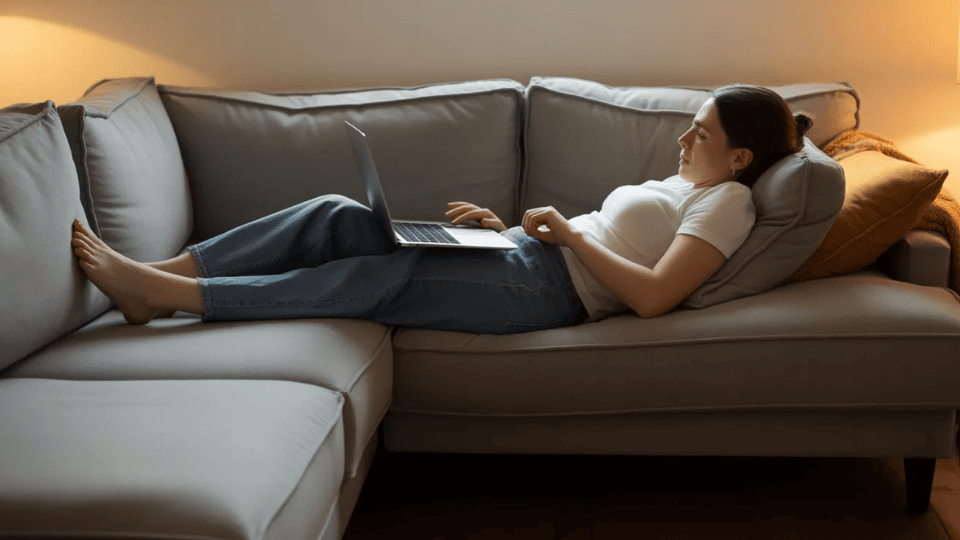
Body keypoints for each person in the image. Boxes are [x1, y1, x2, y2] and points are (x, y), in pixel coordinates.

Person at [70, 84, 812, 334]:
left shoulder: (729, 206)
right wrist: (514, 227)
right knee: (337, 212)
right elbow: (608, 235)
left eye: (702, 132)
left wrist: (561, 240)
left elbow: (653, 298)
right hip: (528, 255)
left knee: (382, 271)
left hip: (547, 292)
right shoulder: (693, 186)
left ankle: (174, 296)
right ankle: (158, 274)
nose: (684, 136)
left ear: (742, 158)